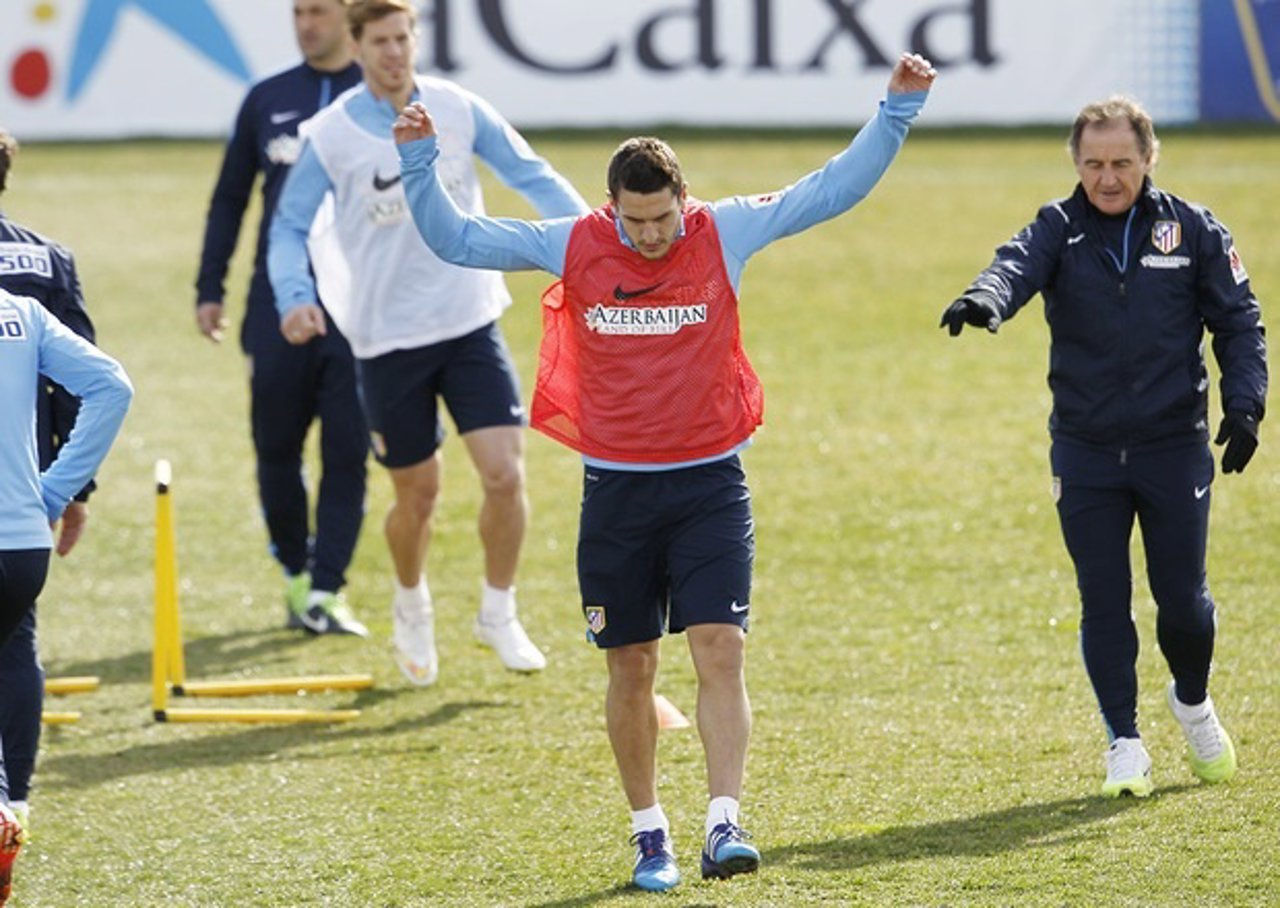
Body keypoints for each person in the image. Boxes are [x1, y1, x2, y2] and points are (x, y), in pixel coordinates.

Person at [394, 52, 936, 890]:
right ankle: (651, 834)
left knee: (720, 649)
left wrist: (896, 110)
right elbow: (456, 237)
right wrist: (420, 162)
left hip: (712, 483)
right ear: (612, 208)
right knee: (632, 667)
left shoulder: (726, 230)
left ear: (684, 200)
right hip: (616, 491)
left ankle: (726, 821)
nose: (650, 237)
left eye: (662, 219)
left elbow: (826, 189)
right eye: (635, 222)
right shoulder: (573, 243)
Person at [940, 96, 1266, 798]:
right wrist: (984, 299)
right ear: (1077, 164)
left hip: (1172, 446)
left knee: (1183, 601)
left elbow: (1239, 322)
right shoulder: (1059, 228)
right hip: (1085, 451)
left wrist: (1246, 403)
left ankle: (1192, 698)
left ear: (1149, 159)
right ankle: (1124, 741)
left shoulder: (1194, 230)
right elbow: (1015, 264)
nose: (1108, 177)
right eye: (1093, 164)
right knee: (1103, 598)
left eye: (1121, 162)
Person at [269, 0, 588, 686]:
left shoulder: (458, 107)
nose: (394, 52)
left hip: (469, 321)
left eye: (402, 37)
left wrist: (594, 240)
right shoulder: (329, 136)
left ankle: (497, 611)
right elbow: (288, 227)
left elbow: (530, 174)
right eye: (379, 41)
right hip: (387, 341)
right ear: (355, 48)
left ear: (416, 39)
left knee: (506, 473)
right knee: (418, 496)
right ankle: (411, 602)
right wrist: (295, 297)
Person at [194, 0, 369, 636]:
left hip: (360, 306)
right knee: (275, 445)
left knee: (348, 451)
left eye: (318, 12)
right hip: (274, 304)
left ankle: (328, 588)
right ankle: (296, 571)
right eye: (298, 12)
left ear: (349, 18)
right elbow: (230, 199)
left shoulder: (377, 98)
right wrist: (209, 286)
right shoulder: (267, 98)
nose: (305, 24)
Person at [0, 286, 133, 907]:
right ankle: (6, 807)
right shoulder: (21, 312)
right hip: (24, 547)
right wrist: (51, 495)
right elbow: (112, 387)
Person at [0, 126, 101, 845]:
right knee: (16, 642)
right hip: (25, 493)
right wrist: (73, 489)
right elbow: (84, 386)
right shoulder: (47, 261)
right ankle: (17, 804)